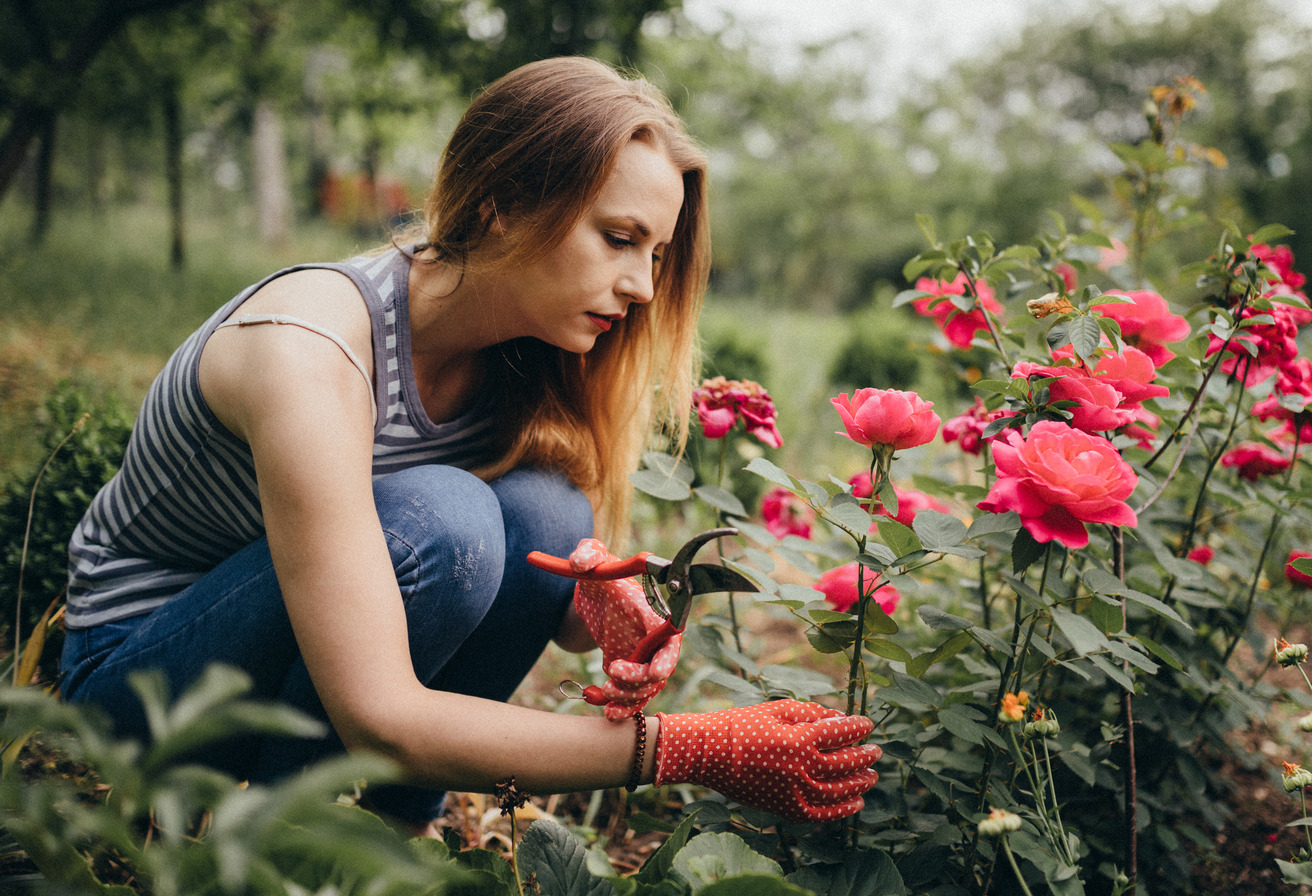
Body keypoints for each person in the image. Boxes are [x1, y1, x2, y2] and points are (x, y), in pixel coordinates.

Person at [56, 57, 880, 830]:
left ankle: (378, 850)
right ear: (501, 207)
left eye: (658, 255)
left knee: (548, 511)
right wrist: (695, 747)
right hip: (141, 681)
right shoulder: (310, 348)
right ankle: (274, 859)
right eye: (620, 239)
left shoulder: (520, 365)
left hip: (293, 656)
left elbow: (551, 619)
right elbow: (379, 713)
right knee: (442, 521)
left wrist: (603, 606)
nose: (642, 287)